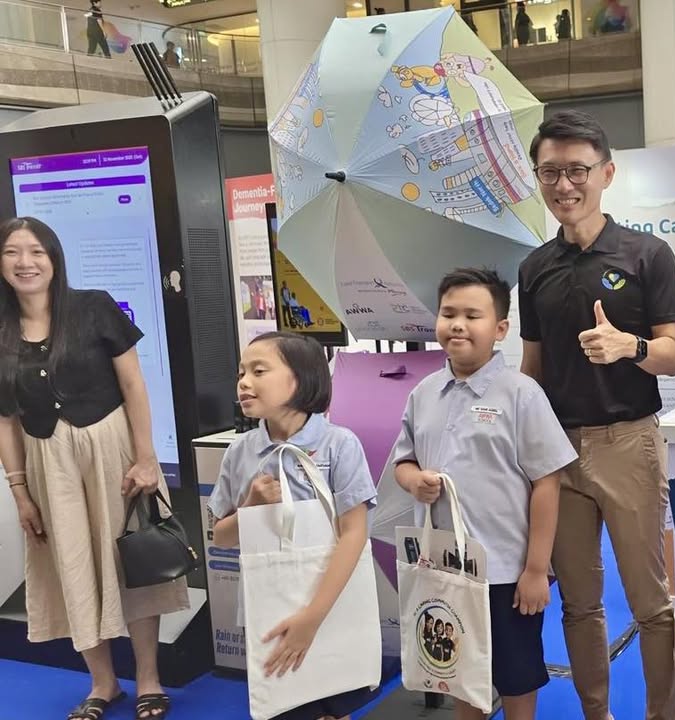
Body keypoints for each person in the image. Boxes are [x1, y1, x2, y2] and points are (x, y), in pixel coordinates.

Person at [519, 109, 675, 720]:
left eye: (577, 171)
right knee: (579, 603)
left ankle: (661, 713)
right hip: (556, 450)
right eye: (550, 172)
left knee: (650, 602)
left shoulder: (648, 254)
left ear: (606, 174)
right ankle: (598, 714)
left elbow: (672, 355)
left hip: (628, 443)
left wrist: (628, 346)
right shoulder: (534, 268)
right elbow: (531, 368)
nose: (564, 185)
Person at [0, 217, 188, 720]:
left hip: (112, 450)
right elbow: (5, 420)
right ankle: (103, 683)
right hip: (47, 461)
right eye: (12, 252)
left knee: (132, 560)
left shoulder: (94, 307)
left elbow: (133, 385)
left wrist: (146, 457)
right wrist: (19, 492)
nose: (25, 262)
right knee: (71, 566)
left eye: (36, 251)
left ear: (54, 258)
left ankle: (148, 679)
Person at [391, 267, 576, 720]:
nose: (457, 325)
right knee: (458, 667)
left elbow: (547, 482)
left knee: (516, 674)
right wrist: (414, 480)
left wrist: (536, 569)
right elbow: (402, 462)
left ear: (500, 329)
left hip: (506, 570)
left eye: (472, 316)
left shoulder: (521, 394)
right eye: (448, 313)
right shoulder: (424, 393)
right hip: (445, 567)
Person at [208, 332, 380, 720]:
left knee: (333, 704)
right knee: (285, 705)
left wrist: (312, 617)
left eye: (259, 371)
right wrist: (251, 507)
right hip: (269, 606)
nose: (244, 382)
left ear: (300, 379)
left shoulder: (339, 444)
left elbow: (354, 532)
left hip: (330, 602)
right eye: (241, 373)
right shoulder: (240, 451)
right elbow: (220, 536)